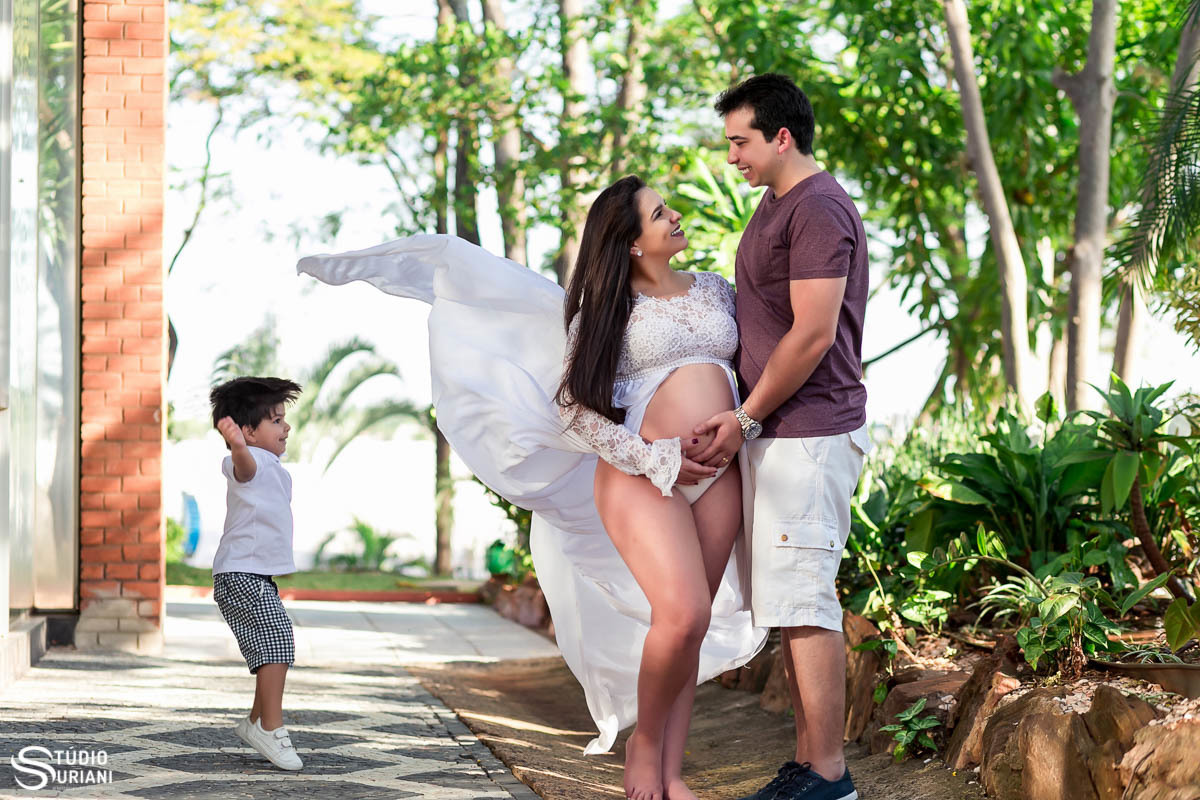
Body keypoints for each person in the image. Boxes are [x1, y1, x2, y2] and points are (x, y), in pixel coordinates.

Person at [298, 176, 766, 800]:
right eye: (660, 213)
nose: (674, 216)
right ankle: (645, 747)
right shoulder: (605, 311)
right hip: (640, 476)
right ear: (631, 242)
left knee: (693, 623)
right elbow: (572, 410)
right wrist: (655, 457)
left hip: (716, 471)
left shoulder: (715, 289)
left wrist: (742, 426)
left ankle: (673, 772)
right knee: (680, 614)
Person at [692, 74, 871, 800]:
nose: (732, 155)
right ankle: (807, 766)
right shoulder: (776, 205)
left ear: (782, 136)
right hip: (780, 435)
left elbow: (814, 333)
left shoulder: (818, 208)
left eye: (740, 141)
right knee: (789, 609)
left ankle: (829, 776)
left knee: (806, 605)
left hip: (809, 434)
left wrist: (744, 418)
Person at [209, 376, 305, 772]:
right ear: (249, 431)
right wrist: (236, 445)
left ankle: (255, 722)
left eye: (284, 419)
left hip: (253, 574)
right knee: (278, 640)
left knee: (272, 645)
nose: (286, 427)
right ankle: (271, 728)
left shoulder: (272, 465)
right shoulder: (247, 459)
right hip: (240, 573)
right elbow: (245, 469)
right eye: (276, 421)